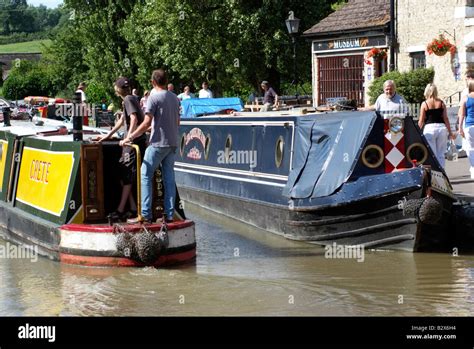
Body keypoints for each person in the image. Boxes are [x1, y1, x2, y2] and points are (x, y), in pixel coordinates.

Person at [124, 69, 180, 224]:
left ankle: (145, 215)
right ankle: (169, 215)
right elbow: (176, 122)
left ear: (153, 82)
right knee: (169, 178)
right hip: (173, 143)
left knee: (145, 174)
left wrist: (131, 136)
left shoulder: (153, 98)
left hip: (158, 143)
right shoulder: (175, 98)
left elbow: (147, 122)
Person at [98, 77, 147, 221]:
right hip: (133, 143)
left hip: (133, 144)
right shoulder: (129, 99)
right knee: (123, 175)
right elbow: (121, 121)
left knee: (126, 175)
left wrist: (129, 138)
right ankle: (132, 207)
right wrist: (108, 135)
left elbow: (134, 119)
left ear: (118, 89)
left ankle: (120, 210)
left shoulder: (128, 99)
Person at [418, 83, 454, 168]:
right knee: (441, 154)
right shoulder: (441, 103)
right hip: (441, 128)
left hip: (429, 128)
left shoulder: (424, 104)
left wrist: (418, 132)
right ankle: (442, 173)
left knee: (432, 154)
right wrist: (450, 132)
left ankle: (435, 174)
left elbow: (421, 120)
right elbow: (446, 118)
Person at [458, 80, 474, 179]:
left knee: (471, 149)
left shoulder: (465, 98)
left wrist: (460, 128)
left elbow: (462, 114)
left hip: (469, 126)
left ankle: (473, 169)